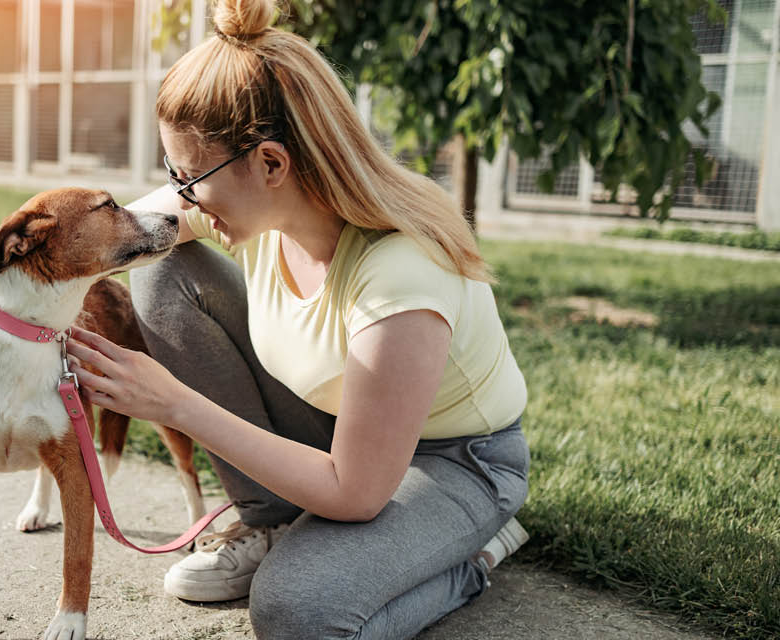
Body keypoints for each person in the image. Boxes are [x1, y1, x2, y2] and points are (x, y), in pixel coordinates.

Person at [62, 1, 531, 638]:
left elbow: (358, 491)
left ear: (273, 164)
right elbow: (132, 234)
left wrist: (175, 404)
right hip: (341, 425)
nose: (182, 195)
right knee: (159, 258)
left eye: (189, 176)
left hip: (454, 462)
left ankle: (467, 557)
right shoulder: (263, 204)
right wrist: (7, 280)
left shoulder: (403, 273)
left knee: (298, 612)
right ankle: (270, 517)